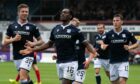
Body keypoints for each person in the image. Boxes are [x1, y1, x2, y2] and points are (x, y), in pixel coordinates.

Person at [20, 8, 96, 84]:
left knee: (65, 82)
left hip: (71, 62)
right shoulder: (55, 29)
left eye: (65, 13)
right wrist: (33, 49)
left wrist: (94, 53)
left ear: (70, 16)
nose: (62, 14)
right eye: (62, 12)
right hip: (59, 62)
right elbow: (48, 44)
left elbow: (87, 44)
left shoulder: (75, 30)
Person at [3, 4, 43, 84]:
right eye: (23, 11)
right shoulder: (12, 26)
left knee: (22, 77)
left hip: (28, 55)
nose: (25, 13)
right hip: (17, 55)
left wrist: (33, 43)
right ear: (18, 13)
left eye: (26, 12)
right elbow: (4, 41)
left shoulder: (33, 27)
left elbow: (41, 41)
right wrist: (14, 39)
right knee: (27, 79)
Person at [101, 14, 139, 84]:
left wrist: (130, 47)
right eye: (114, 21)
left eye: (117, 20)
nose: (115, 22)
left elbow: (136, 43)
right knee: (114, 82)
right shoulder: (108, 34)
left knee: (122, 81)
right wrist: (103, 46)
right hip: (112, 62)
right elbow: (103, 44)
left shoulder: (127, 33)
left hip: (123, 61)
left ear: (122, 22)